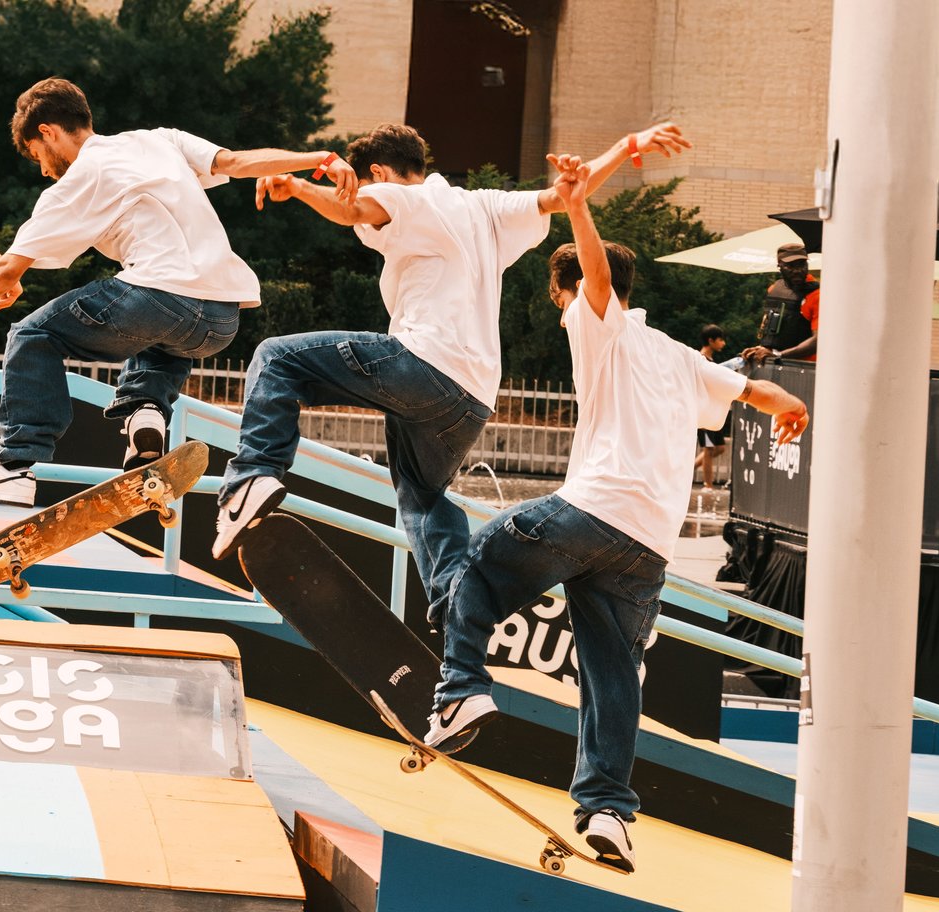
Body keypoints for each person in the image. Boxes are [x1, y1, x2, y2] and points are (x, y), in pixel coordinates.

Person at [426, 157, 810, 873]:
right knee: (611, 679)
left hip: (591, 511)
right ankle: (607, 809)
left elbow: (594, 281)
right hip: (646, 550)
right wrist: (789, 404)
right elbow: (751, 390)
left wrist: (576, 207)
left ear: (566, 292)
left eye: (559, 297)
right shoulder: (677, 354)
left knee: (476, 565)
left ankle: (460, 691)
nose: (562, 310)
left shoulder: (593, 318)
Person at [208, 123, 688, 629]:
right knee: (422, 495)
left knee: (276, 358)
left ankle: (251, 479)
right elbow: (568, 192)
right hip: (471, 399)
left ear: (377, 171)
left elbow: (350, 208)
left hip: (421, 363)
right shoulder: (484, 206)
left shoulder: (404, 197)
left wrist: (298, 186)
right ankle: (456, 603)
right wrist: (626, 144)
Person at [0, 78, 360, 505]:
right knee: (163, 335)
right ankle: (145, 412)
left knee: (33, 335)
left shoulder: (78, 179)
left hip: (156, 298)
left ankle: (12, 467)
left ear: (47, 131)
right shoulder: (160, 140)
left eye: (39, 156)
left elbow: (6, 269)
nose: (43, 170)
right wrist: (322, 158)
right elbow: (236, 162)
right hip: (220, 319)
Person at [740, 243, 818, 363]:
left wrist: (777, 355)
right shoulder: (774, 289)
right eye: (790, 266)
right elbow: (772, 331)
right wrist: (761, 350)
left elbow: (818, 341)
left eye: (802, 264)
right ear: (779, 266)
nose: (797, 270)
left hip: (805, 368)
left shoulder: (816, 294)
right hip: (776, 365)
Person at [692, 324, 730, 487]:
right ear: (711, 340)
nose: (723, 343)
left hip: (711, 411)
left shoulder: (711, 360)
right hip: (703, 412)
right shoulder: (700, 359)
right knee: (708, 449)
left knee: (719, 447)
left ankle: (689, 468)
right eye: (720, 340)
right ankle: (708, 486)